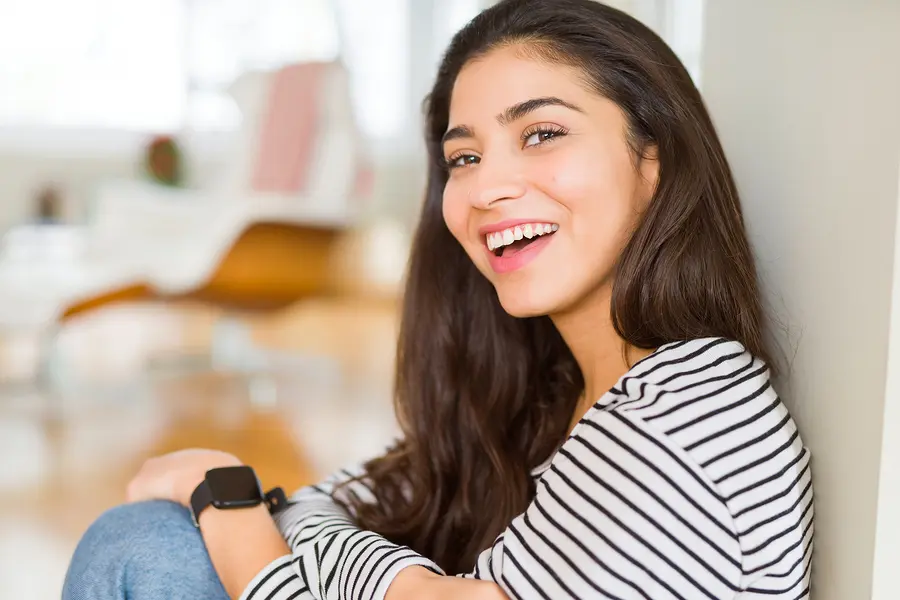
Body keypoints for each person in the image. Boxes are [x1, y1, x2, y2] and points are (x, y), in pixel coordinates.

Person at [63, 0, 814, 598]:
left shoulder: (683, 413)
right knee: (158, 539)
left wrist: (226, 497)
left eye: (543, 133)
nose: (486, 187)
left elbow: (279, 522)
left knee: (146, 546)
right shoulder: (550, 396)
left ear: (653, 160)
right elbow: (318, 504)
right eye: (464, 157)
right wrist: (407, 584)